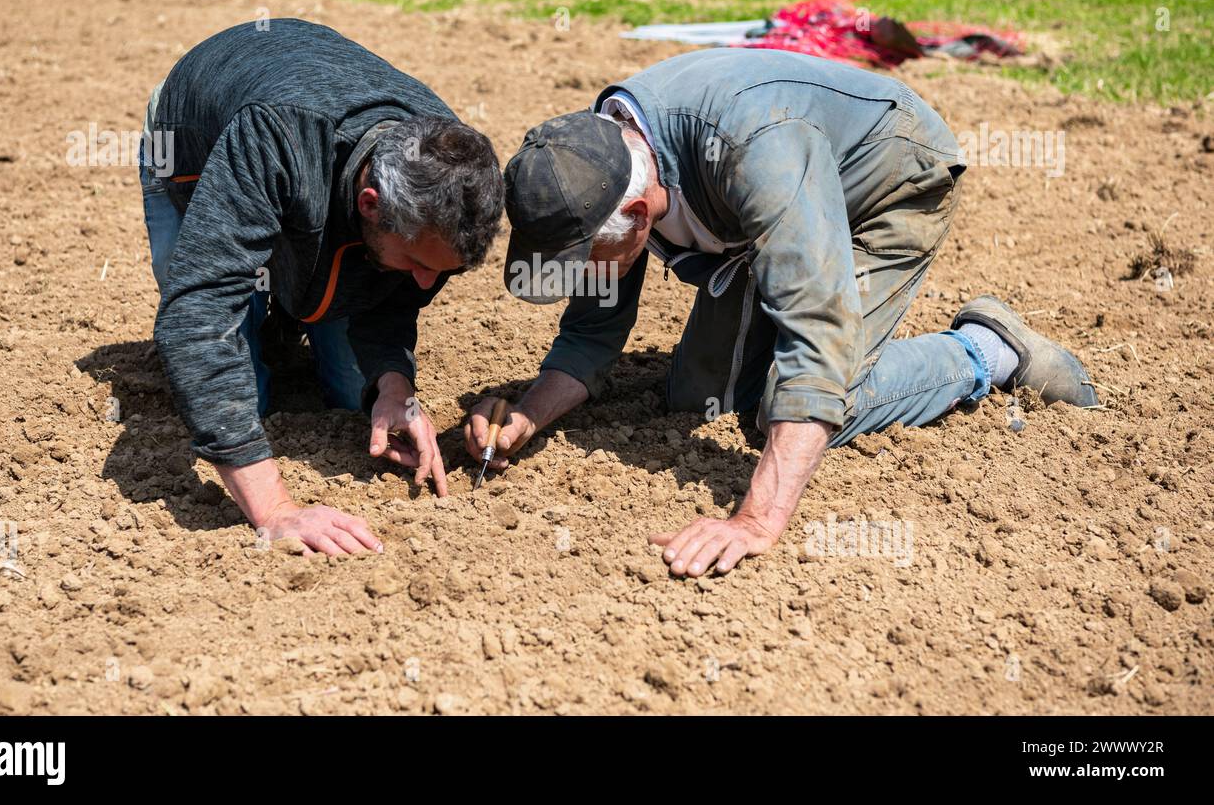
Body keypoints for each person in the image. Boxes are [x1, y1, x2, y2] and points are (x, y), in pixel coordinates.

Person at [466, 48, 1096, 577]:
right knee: (700, 400)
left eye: (588, 259)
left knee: (792, 405)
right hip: (768, 201)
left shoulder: (750, 153)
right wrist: (528, 415)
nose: (584, 276)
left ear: (636, 215)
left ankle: (985, 350)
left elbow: (815, 329)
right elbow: (592, 329)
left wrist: (757, 520)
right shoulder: (591, 158)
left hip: (889, 179)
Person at [141, 19, 501, 556]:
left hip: (311, 145)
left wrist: (394, 385)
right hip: (195, 137)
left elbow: (398, 291)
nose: (428, 283)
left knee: (346, 388)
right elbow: (199, 310)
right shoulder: (275, 137)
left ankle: (291, 309)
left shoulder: (446, 167)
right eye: (417, 262)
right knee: (237, 386)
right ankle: (276, 310)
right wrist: (274, 511)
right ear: (370, 204)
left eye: (441, 272)